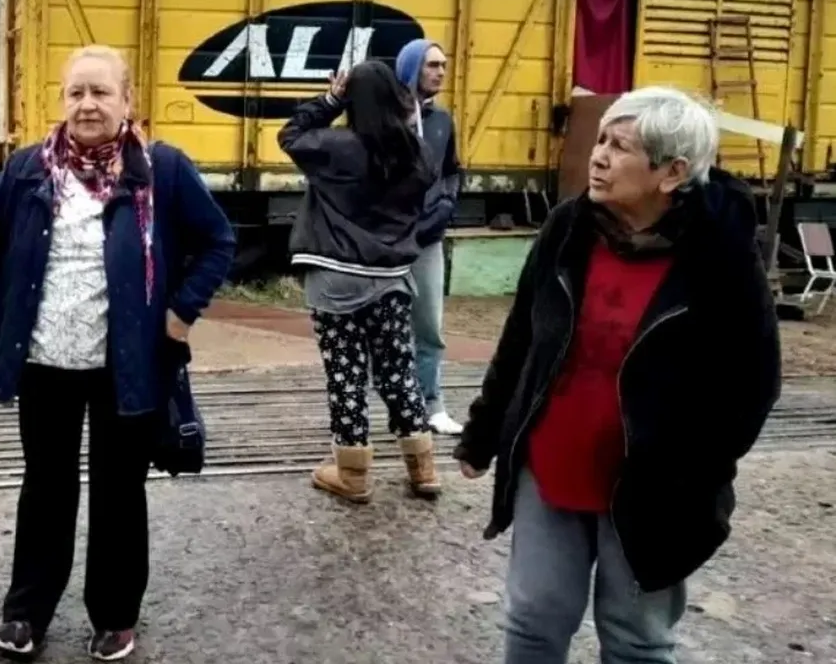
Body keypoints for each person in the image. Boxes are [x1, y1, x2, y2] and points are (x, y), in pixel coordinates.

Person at [454, 86, 780, 664]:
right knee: (533, 622)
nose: (598, 155)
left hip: (654, 490)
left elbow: (753, 384)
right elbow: (522, 340)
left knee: (636, 641)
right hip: (552, 462)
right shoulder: (568, 229)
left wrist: (695, 473)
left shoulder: (721, 256)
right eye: (601, 139)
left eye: (620, 146)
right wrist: (484, 433)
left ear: (672, 172)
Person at [0, 43, 236, 661]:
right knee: (46, 487)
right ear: (61, 100)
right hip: (44, 363)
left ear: (127, 101)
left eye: (101, 93)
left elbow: (218, 241)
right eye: (76, 93)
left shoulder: (161, 170)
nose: (87, 104)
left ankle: (114, 614)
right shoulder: (26, 170)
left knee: (119, 492)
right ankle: (26, 613)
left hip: (128, 366)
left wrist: (178, 313)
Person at [278, 60, 441, 505]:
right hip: (391, 279)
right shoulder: (419, 154)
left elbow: (289, 135)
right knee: (398, 373)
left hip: (335, 279)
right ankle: (423, 469)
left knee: (346, 375)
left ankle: (352, 475)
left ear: (352, 100)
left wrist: (331, 99)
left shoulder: (334, 147)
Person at [394, 39, 464, 435]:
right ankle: (392, 403)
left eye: (443, 64)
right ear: (410, 68)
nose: (440, 71)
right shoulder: (384, 118)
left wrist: (447, 204)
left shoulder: (442, 121)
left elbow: (453, 168)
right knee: (384, 325)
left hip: (427, 240)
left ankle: (432, 403)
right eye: (431, 65)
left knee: (429, 324)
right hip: (386, 239)